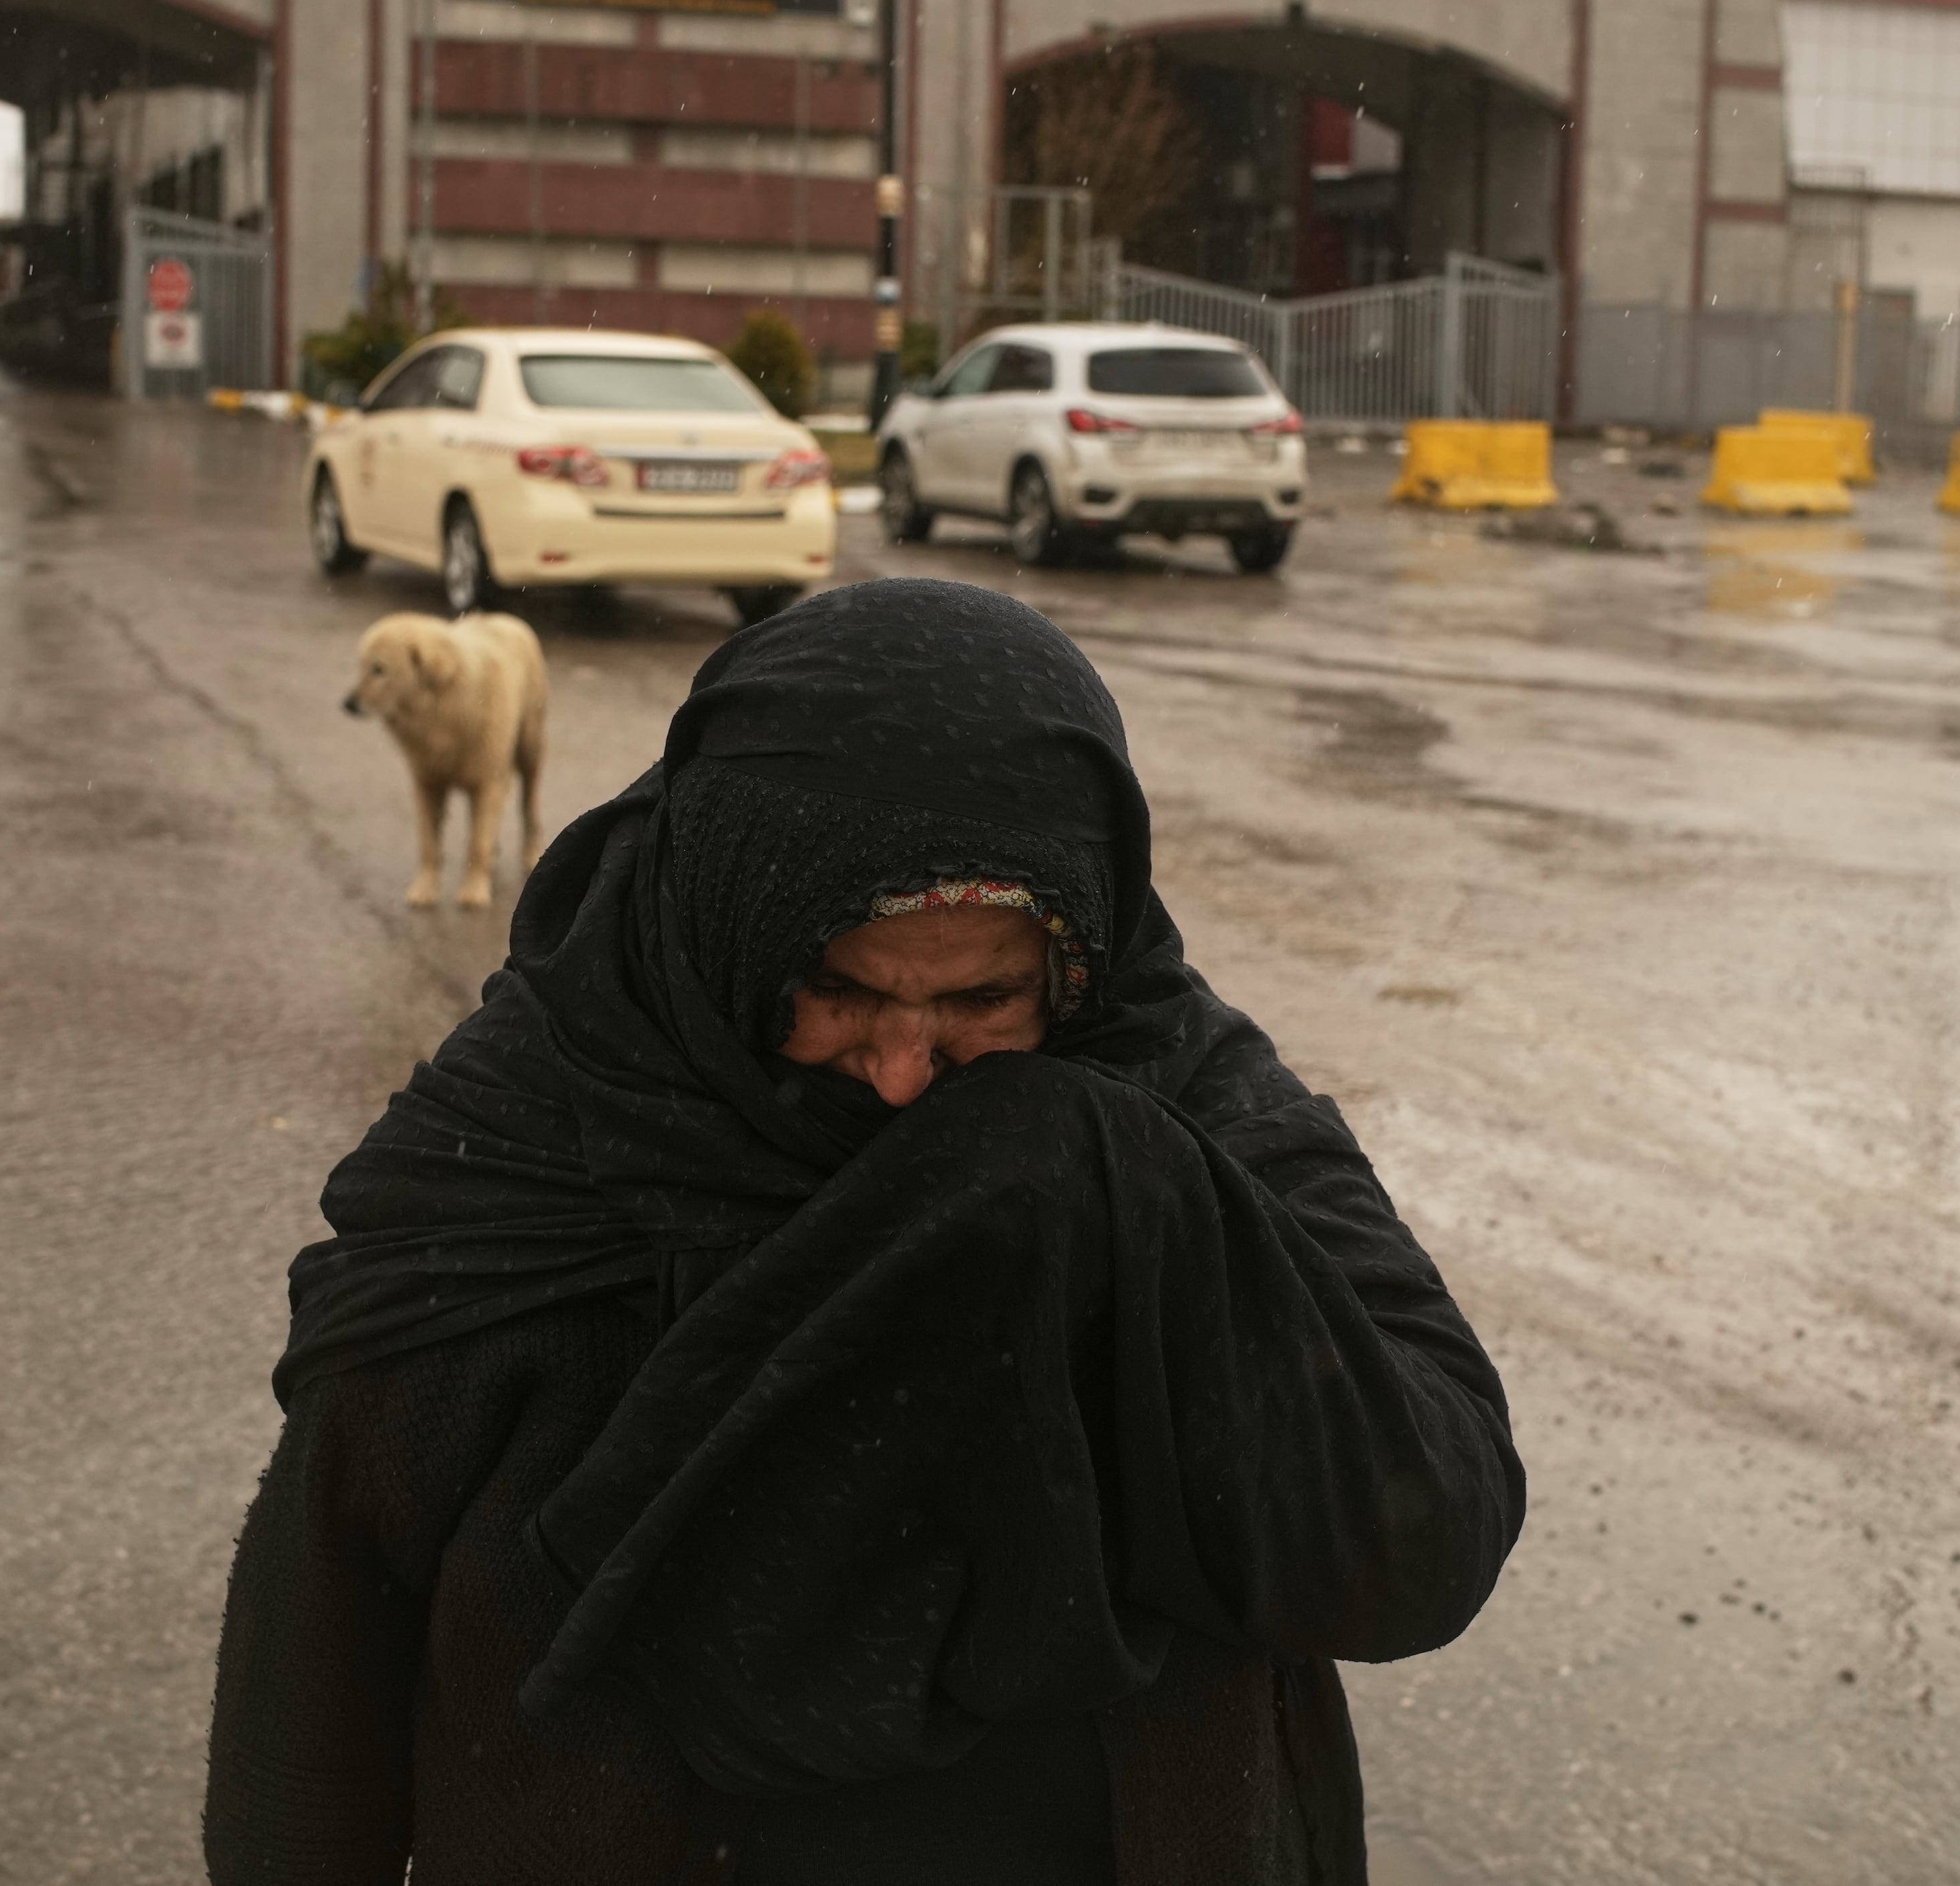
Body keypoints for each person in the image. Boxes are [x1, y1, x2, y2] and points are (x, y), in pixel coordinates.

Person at [206, 579, 1524, 1885]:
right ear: (728, 919)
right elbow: (316, 1660)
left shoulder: (1170, 1087)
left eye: (982, 997)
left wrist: (1115, 1182)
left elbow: (1428, 1536)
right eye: (833, 988)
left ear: (1076, 954)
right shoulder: (540, 1139)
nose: (901, 1069)